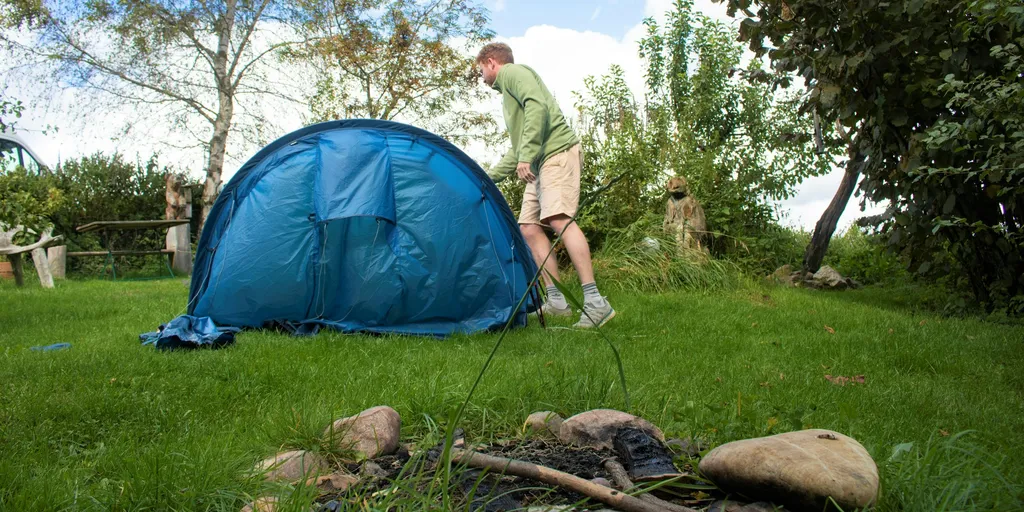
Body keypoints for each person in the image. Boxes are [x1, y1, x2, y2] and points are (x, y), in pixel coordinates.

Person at [476, 42, 615, 328]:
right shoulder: (507, 97)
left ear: (491, 62)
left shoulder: (513, 72)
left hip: (556, 153)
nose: (482, 77)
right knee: (528, 227)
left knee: (558, 218)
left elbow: (537, 105)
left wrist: (527, 155)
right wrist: (485, 179)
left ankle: (596, 302)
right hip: (538, 164)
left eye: (481, 70)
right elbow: (517, 151)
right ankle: (557, 301)